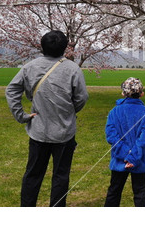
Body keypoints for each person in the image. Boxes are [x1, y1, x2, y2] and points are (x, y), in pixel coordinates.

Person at [5, 30, 88, 207]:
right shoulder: (73, 69)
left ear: (42, 46)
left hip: (38, 131)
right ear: (65, 48)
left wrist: (22, 116)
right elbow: (81, 98)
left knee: (33, 175)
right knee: (61, 175)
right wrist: (69, 111)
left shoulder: (30, 67)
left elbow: (11, 90)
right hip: (65, 132)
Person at [104, 77, 145, 207]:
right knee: (139, 194)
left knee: (114, 192)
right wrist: (131, 155)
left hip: (122, 158)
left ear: (123, 93)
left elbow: (111, 136)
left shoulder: (114, 112)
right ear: (141, 93)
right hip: (138, 158)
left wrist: (128, 156)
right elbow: (143, 139)